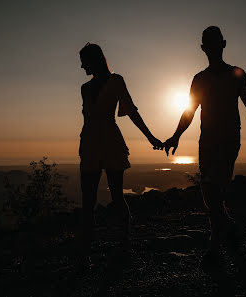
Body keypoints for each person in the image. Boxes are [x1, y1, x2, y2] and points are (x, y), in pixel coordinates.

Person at [163, 26, 246, 266]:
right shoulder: (199, 79)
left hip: (229, 139)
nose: (212, 48)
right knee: (209, 192)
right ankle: (230, 227)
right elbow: (189, 111)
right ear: (203, 48)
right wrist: (176, 136)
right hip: (208, 141)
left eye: (215, 44)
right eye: (208, 44)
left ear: (223, 44)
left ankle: (215, 248)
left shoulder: (237, 74)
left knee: (214, 191)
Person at [78, 43, 162, 263]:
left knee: (116, 195)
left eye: (84, 61)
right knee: (88, 198)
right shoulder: (84, 88)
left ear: (95, 59)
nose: (81, 66)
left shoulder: (116, 81)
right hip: (89, 143)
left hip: (110, 142)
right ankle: (86, 249)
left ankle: (123, 241)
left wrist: (150, 137)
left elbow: (131, 111)